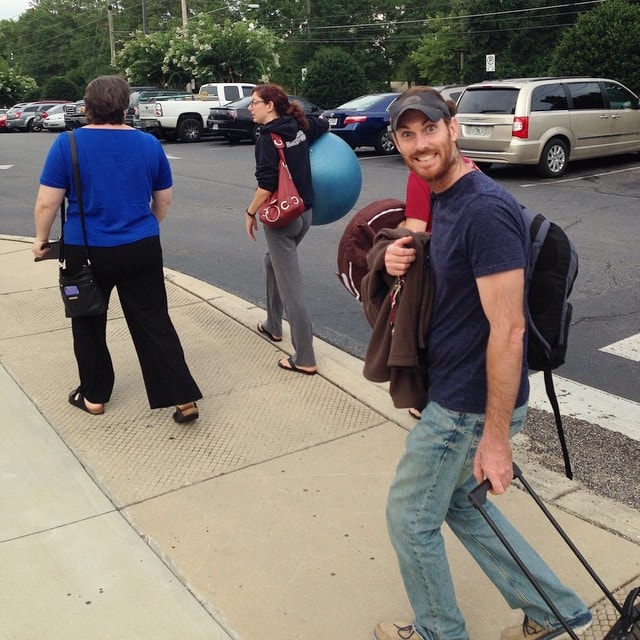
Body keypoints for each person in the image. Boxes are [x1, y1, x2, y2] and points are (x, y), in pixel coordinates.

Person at [374, 86, 592, 640]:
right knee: (463, 508)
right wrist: (404, 253)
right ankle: (558, 613)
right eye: (407, 134)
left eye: (430, 129)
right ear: (397, 141)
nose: (420, 144)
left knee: (410, 518)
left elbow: (510, 328)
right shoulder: (444, 196)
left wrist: (496, 436)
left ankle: (438, 632)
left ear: (453, 127)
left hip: (469, 404)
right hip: (457, 392)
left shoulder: (484, 209)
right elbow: (452, 285)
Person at [32, 75, 202, 423]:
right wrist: (145, 225)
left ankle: (94, 395)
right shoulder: (149, 144)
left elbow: (48, 203)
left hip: (86, 250)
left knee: (88, 321)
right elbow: (163, 199)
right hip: (141, 246)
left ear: (87, 105)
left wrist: (40, 239)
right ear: (126, 106)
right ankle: (183, 397)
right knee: (154, 320)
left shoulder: (68, 144)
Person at [244, 83, 329, 375]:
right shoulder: (299, 126)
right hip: (305, 213)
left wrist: (250, 212)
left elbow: (266, 184)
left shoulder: (268, 139)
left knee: (292, 289)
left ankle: (305, 357)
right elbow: (324, 123)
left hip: (282, 219)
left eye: (254, 102)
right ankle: (273, 325)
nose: (250, 107)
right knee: (272, 263)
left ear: (270, 106)